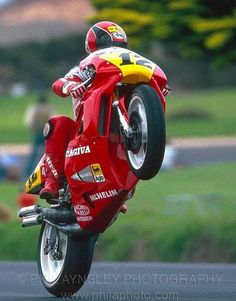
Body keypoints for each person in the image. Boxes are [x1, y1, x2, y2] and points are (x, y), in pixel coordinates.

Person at [39, 21, 170, 201]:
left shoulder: (130, 63)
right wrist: (71, 85)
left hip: (118, 133)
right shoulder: (86, 68)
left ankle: (119, 192)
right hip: (82, 131)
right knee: (57, 123)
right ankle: (52, 182)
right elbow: (58, 84)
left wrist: (159, 89)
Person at [24, 94, 54, 178]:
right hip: (46, 132)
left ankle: (29, 170)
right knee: (48, 153)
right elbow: (52, 119)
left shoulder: (34, 108)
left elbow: (29, 121)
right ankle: (48, 169)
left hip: (37, 132)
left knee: (33, 153)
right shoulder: (48, 108)